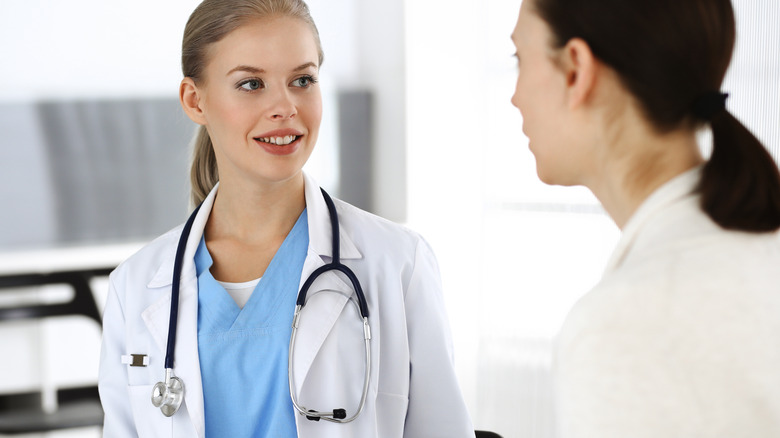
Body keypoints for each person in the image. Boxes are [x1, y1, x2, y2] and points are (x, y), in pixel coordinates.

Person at [98, 0, 474, 436]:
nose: (285, 106)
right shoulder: (136, 286)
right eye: (251, 83)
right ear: (194, 100)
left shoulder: (398, 263)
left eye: (302, 80)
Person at [510, 0, 780, 436]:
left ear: (576, 69)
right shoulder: (754, 247)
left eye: (519, 59)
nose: (515, 96)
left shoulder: (624, 326)